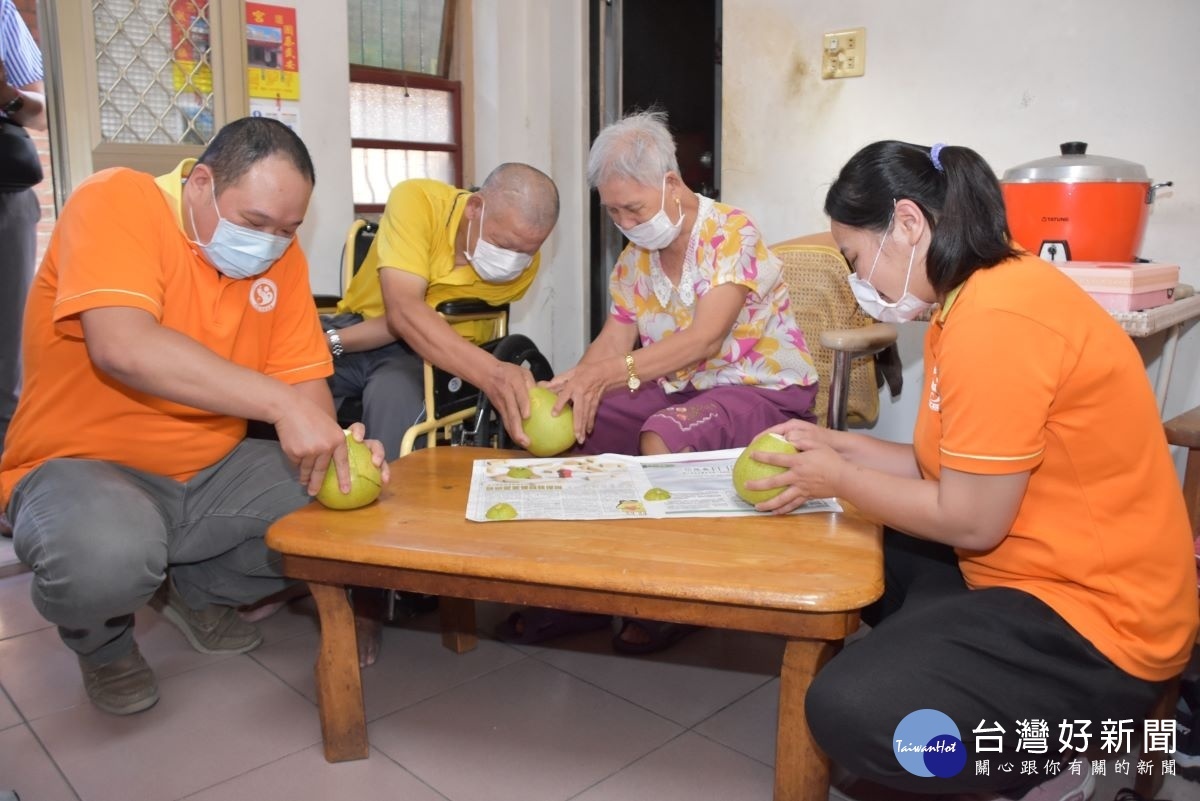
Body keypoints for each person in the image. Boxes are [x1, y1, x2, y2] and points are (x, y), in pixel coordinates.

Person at [747, 140, 1197, 799]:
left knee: (847, 707)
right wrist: (836, 448)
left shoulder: (999, 319)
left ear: (907, 224)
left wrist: (836, 478)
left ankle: (1049, 762)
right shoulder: (967, 301)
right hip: (1032, 562)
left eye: (853, 258)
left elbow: (971, 517)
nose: (855, 280)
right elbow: (953, 465)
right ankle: (943, 658)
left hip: (1102, 623)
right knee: (850, 541)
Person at [0, 117, 389, 716]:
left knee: (343, 510)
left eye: (288, 229)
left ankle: (195, 588)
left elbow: (306, 387)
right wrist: (279, 404)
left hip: (212, 470)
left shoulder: (280, 264)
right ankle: (103, 646)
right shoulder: (118, 199)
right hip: (80, 467)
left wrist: (340, 447)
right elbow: (122, 346)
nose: (271, 242)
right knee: (103, 556)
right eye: (256, 223)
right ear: (201, 183)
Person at [496, 110, 819, 654]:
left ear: (671, 183)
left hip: (762, 389)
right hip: (681, 387)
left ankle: (673, 594)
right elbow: (613, 342)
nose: (624, 220)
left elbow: (704, 340)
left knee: (665, 435)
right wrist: (574, 384)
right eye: (613, 211)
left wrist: (609, 375)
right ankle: (582, 593)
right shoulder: (634, 258)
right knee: (578, 427)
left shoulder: (730, 232)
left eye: (634, 207)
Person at [322, 164, 560, 461]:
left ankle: (392, 496)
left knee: (392, 394)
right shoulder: (417, 201)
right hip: (359, 326)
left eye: (529, 251)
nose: (514, 261)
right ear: (475, 208)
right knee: (290, 370)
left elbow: (409, 320)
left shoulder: (519, 270)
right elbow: (407, 312)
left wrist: (332, 342)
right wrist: (330, 342)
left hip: (436, 352)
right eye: (504, 245)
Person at [0, 0, 48, 537]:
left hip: (3, 194)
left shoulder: (4, 15)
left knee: (5, 353)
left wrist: (8, 97)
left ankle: (7, 486)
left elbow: (42, 108)